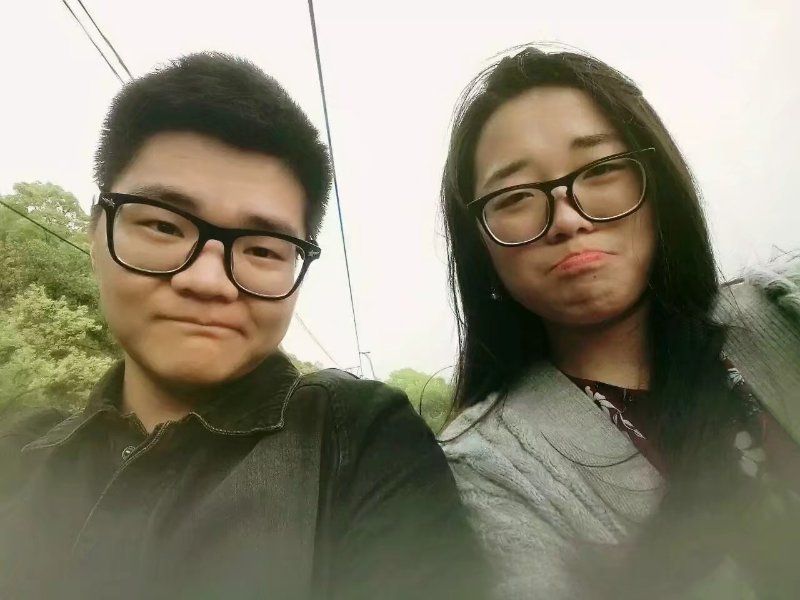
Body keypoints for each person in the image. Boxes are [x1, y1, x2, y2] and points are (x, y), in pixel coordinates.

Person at [0, 52, 486, 599]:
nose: (208, 281)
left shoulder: (361, 445)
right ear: (96, 234)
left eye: (261, 248)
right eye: (164, 226)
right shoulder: (17, 455)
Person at [437, 46, 800, 599]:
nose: (567, 218)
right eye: (514, 197)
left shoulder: (782, 312)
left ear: (657, 183)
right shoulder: (491, 470)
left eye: (601, 169)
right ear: (478, 243)